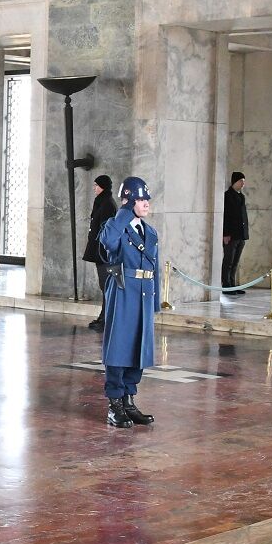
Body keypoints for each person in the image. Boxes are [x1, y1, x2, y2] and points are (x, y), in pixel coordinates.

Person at [98, 176, 160, 429]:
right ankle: (115, 405)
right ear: (129, 201)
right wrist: (124, 211)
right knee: (119, 347)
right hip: (123, 290)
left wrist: (155, 302)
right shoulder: (116, 227)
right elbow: (107, 243)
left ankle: (129, 400)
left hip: (144, 293)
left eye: (146, 199)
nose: (146, 203)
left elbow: (155, 267)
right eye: (140, 199)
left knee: (139, 348)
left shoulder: (151, 232)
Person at [83, 174, 116, 330]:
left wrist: (103, 250)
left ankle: (106, 319)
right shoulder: (101, 202)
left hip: (104, 253)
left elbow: (107, 231)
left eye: (96, 185)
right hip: (99, 251)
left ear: (102, 186)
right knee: (104, 286)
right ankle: (103, 317)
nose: (94, 188)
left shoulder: (107, 204)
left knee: (106, 286)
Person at [221, 171, 249, 296]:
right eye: (240, 181)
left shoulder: (241, 196)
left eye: (244, 180)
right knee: (228, 261)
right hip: (231, 235)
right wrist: (225, 233)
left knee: (235, 261)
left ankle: (232, 284)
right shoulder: (227, 196)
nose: (243, 183)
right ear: (234, 182)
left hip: (240, 234)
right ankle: (226, 285)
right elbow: (226, 216)